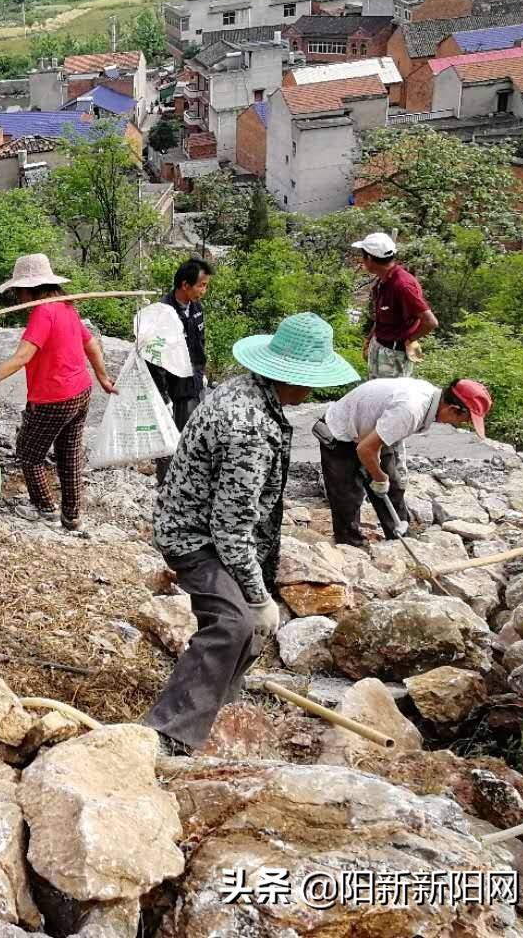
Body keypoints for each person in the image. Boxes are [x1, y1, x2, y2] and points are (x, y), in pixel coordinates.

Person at [145, 313, 359, 756]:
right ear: (293, 378)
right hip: (194, 536)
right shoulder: (250, 428)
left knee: (242, 618)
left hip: (208, 528)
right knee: (235, 622)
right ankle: (169, 731)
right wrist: (260, 598)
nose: (312, 391)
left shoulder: (250, 391)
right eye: (311, 382)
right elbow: (230, 528)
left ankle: (218, 707)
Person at [0, 254, 117, 535]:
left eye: (19, 291)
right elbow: (91, 344)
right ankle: (72, 517)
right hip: (81, 392)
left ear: (29, 289)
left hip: (54, 398)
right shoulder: (66, 306)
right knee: (69, 455)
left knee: (29, 454)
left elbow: (22, 356)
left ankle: (45, 508)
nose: (18, 297)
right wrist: (102, 377)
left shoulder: (42, 313)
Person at [315, 378, 492, 548]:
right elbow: (365, 450)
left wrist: (381, 476)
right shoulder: (411, 410)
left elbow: (371, 445)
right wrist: (379, 477)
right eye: (464, 420)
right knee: (348, 498)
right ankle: (351, 547)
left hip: (372, 431)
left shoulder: (429, 399)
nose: (460, 424)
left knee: (393, 488)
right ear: (453, 409)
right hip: (340, 433)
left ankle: (401, 540)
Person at [149, 257, 212, 486]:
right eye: (201, 285)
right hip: (173, 388)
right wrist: (163, 396)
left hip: (192, 384)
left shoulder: (195, 307)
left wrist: (201, 373)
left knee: (193, 436)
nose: (204, 290)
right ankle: (166, 486)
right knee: (169, 439)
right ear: (185, 285)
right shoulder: (162, 313)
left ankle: (187, 484)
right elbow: (155, 359)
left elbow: (199, 344)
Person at [353, 232, 437, 379]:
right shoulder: (383, 281)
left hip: (394, 354)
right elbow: (382, 316)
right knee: (374, 389)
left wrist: (409, 340)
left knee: (391, 392)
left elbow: (430, 322)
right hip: (379, 344)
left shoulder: (403, 286)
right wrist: (370, 339)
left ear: (369, 259)